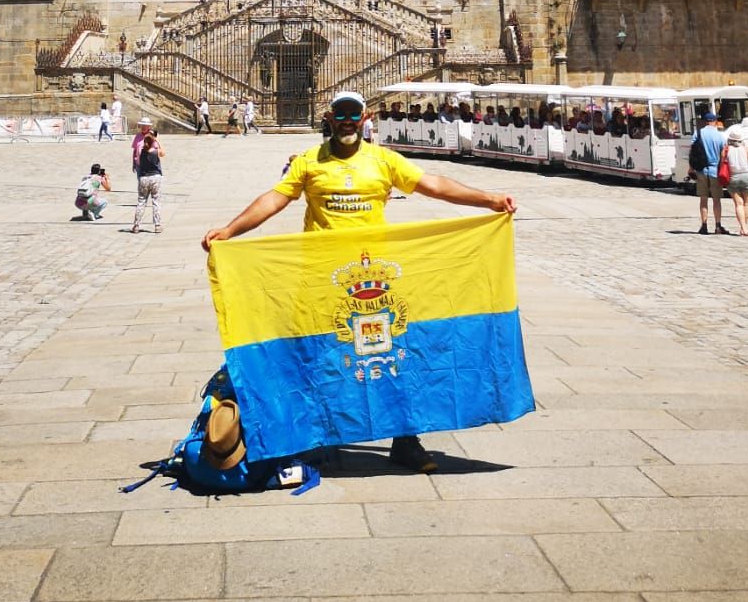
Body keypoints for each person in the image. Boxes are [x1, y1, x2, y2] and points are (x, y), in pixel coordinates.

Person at [202, 88, 516, 474]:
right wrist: (230, 231)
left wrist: (489, 200)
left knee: (392, 356)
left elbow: (434, 184)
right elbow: (274, 200)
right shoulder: (309, 162)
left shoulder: (383, 161)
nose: (348, 122)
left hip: (375, 280)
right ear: (330, 119)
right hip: (321, 279)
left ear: (365, 118)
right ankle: (320, 432)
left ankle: (405, 440)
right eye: (341, 115)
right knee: (321, 355)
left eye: (355, 116)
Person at [693, 112, 728, 235]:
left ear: (704, 121)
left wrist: (691, 168)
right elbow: (723, 154)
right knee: (716, 200)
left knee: (703, 199)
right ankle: (718, 225)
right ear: (715, 121)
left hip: (701, 170)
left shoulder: (698, 133)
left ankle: (704, 225)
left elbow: (692, 151)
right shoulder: (719, 136)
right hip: (715, 170)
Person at [723, 130, 748, 237]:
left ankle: (743, 227)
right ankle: (744, 228)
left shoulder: (726, 150)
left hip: (732, 177)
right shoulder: (745, 149)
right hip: (745, 176)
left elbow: (722, 164)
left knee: (738, 204)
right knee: (746, 203)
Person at [132, 131, 165, 233]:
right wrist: (157, 141)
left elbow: (136, 155)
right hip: (155, 177)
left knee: (141, 201)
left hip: (144, 178)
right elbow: (163, 152)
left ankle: (136, 225)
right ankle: (157, 225)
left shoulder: (141, 151)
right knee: (156, 201)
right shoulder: (156, 151)